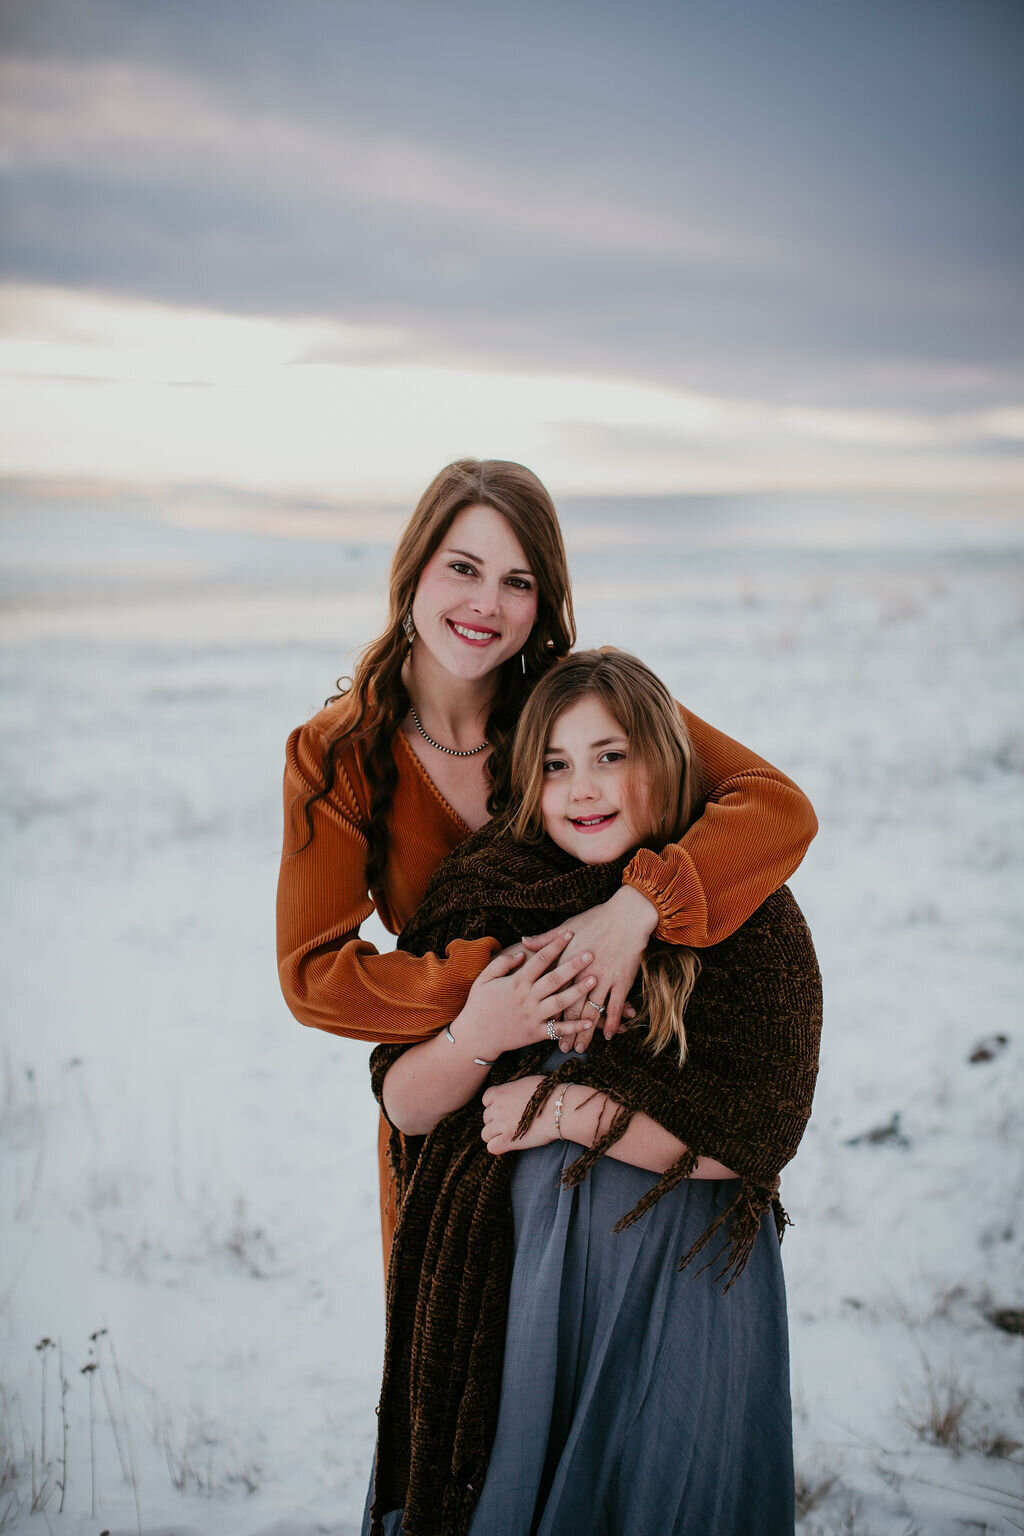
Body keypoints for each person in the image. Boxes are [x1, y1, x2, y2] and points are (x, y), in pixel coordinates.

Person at [276, 458, 818, 1267]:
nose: (486, 605)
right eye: (463, 568)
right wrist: (498, 992)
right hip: (457, 1096)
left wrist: (634, 912)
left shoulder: (582, 701)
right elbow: (313, 974)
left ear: (546, 600)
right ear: (412, 568)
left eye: (517, 581)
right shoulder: (336, 755)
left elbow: (777, 807)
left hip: (621, 1114)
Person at [366, 650, 823, 1536]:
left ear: (666, 756)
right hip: (522, 1291)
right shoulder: (488, 895)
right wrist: (484, 1030)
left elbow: (763, 1127)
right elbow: (406, 1106)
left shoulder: (743, 908)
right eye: (556, 764)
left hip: (683, 1287)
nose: (585, 787)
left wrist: (576, 1111)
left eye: (612, 756)